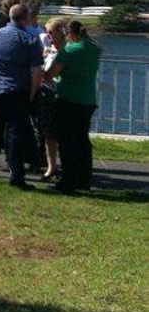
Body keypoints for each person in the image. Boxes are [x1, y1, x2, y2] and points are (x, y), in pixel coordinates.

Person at [0, 3, 43, 190]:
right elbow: (37, 71)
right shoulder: (30, 39)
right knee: (15, 134)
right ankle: (16, 176)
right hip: (18, 91)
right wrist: (32, 93)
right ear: (25, 18)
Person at [45, 20, 102, 194]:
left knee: (66, 142)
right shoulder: (94, 49)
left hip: (68, 99)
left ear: (69, 34)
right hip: (88, 99)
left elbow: (50, 74)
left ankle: (68, 180)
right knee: (82, 140)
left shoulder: (68, 51)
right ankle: (84, 179)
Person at [33, 16, 64, 181]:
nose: (48, 35)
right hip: (46, 93)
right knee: (47, 133)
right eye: (47, 32)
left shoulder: (66, 50)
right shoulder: (48, 49)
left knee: (62, 133)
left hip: (62, 94)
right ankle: (51, 166)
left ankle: (66, 166)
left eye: (50, 32)